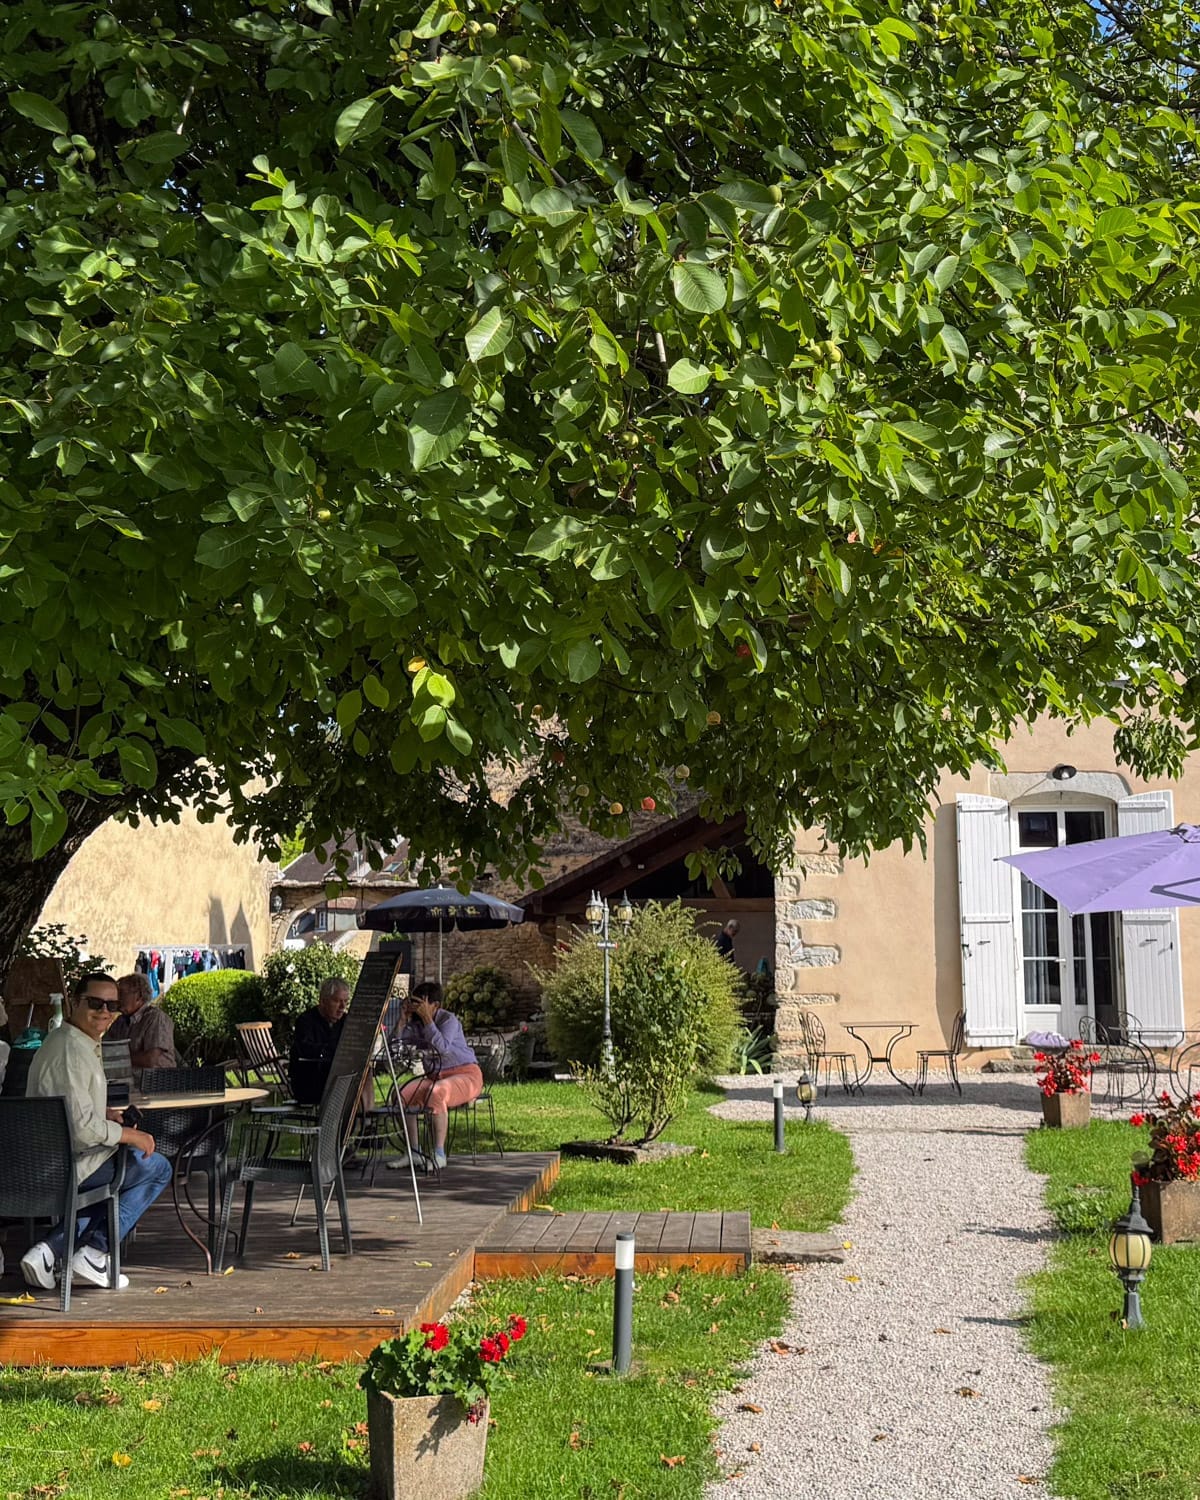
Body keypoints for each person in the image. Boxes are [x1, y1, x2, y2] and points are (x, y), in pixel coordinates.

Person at [22, 972, 173, 1292]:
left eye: (112, 1005)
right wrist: (132, 1135)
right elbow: (81, 1130)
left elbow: (68, 1107)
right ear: (74, 1002)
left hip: (52, 1157)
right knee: (155, 1167)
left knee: (118, 1176)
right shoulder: (71, 1052)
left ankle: (49, 1251)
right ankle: (94, 1251)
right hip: (62, 1165)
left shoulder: (69, 1042)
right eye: (95, 1003)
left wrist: (104, 1114)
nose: (105, 1011)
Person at [395, 981, 482, 1171]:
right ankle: (414, 1152)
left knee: (437, 1093)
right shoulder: (415, 1024)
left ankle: (439, 1153)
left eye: (421, 1003)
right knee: (401, 1095)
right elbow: (397, 1050)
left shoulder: (447, 1020)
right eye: (414, 1002)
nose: (417, 1008)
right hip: (435, 1076)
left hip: (465, 1073)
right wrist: (402, 1022)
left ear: (435, 1005)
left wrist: (428, 1020)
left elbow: (441, 1048)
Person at [288, 976, 350, 1105]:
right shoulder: (306, 1021)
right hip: (311, 1082)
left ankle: (366, 1119)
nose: (342, 1007)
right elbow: (306, 1050)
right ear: (323, 1001)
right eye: (337, 1001)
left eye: (345, 1001)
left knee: (365, 1074)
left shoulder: (346, 1021)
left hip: (338, 1078)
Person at [109, 972, 177, 1071]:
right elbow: (104, 1047)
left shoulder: (155, 1018)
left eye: (122, 994)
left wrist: (118, 1057)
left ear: (139, 996)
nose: (117, 999)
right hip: (127, 1081)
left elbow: (151, 1060)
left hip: (156, 1082)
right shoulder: (121, 1020)